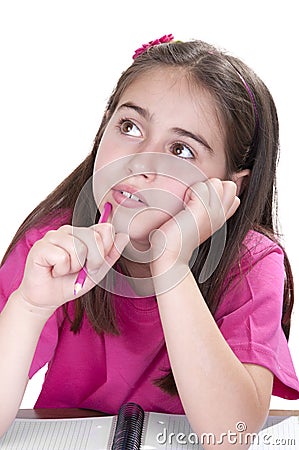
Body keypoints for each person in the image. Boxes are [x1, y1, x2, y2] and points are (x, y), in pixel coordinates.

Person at [0, 34, 298, 447]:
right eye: (130, 126)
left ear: (229, 186)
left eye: (181, 150)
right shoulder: (53, 246)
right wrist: (29, 306)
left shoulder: (252, 265)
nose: (140, 161)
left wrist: (170, 263)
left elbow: (231, 436)